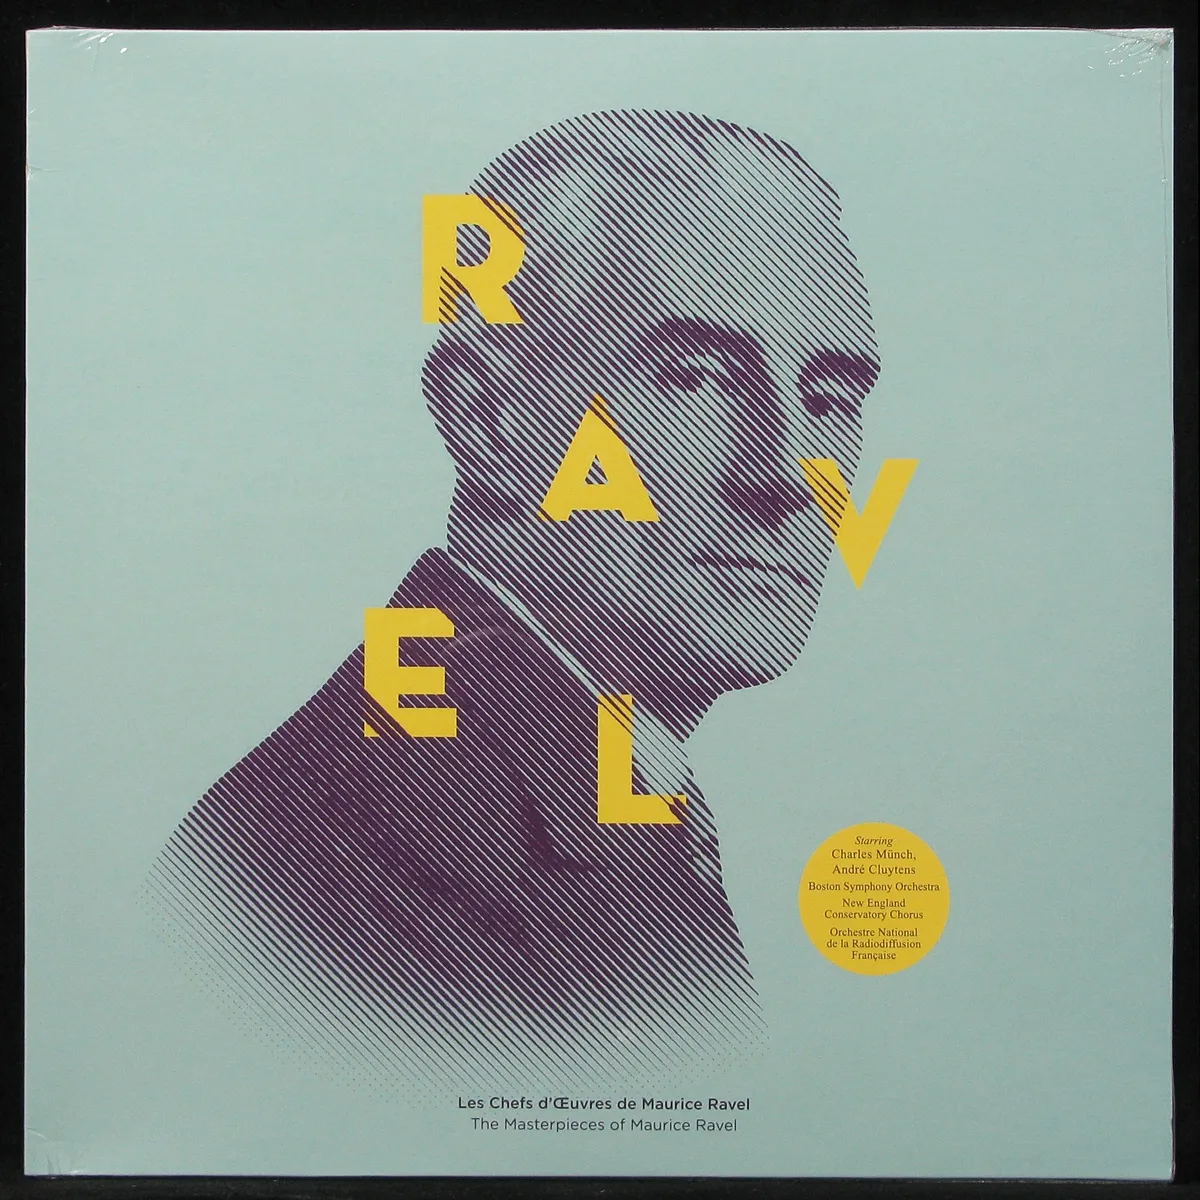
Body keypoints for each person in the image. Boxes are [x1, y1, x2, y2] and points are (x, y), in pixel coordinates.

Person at [147, 109, 880, 1087]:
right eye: (697, 379)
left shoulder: (545, 781)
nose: (788, 474)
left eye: (828, 400)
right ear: (489, 421)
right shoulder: (383, 846)